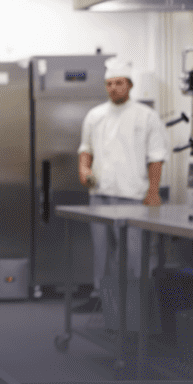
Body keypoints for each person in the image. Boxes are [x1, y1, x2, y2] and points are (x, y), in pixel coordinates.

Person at [78, 60, 167, 332]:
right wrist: (83, 167)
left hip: (133, 199)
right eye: (109, 84)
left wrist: (153, 191)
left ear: (129, 85)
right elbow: (86, 148)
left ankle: (135, 319)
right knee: (102, 258)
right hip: (100, 197)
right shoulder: (95, 116)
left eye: (119, 83)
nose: (113, 88)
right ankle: (109, 315)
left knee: (134, 260)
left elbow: (156, 158)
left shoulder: (146, 117)